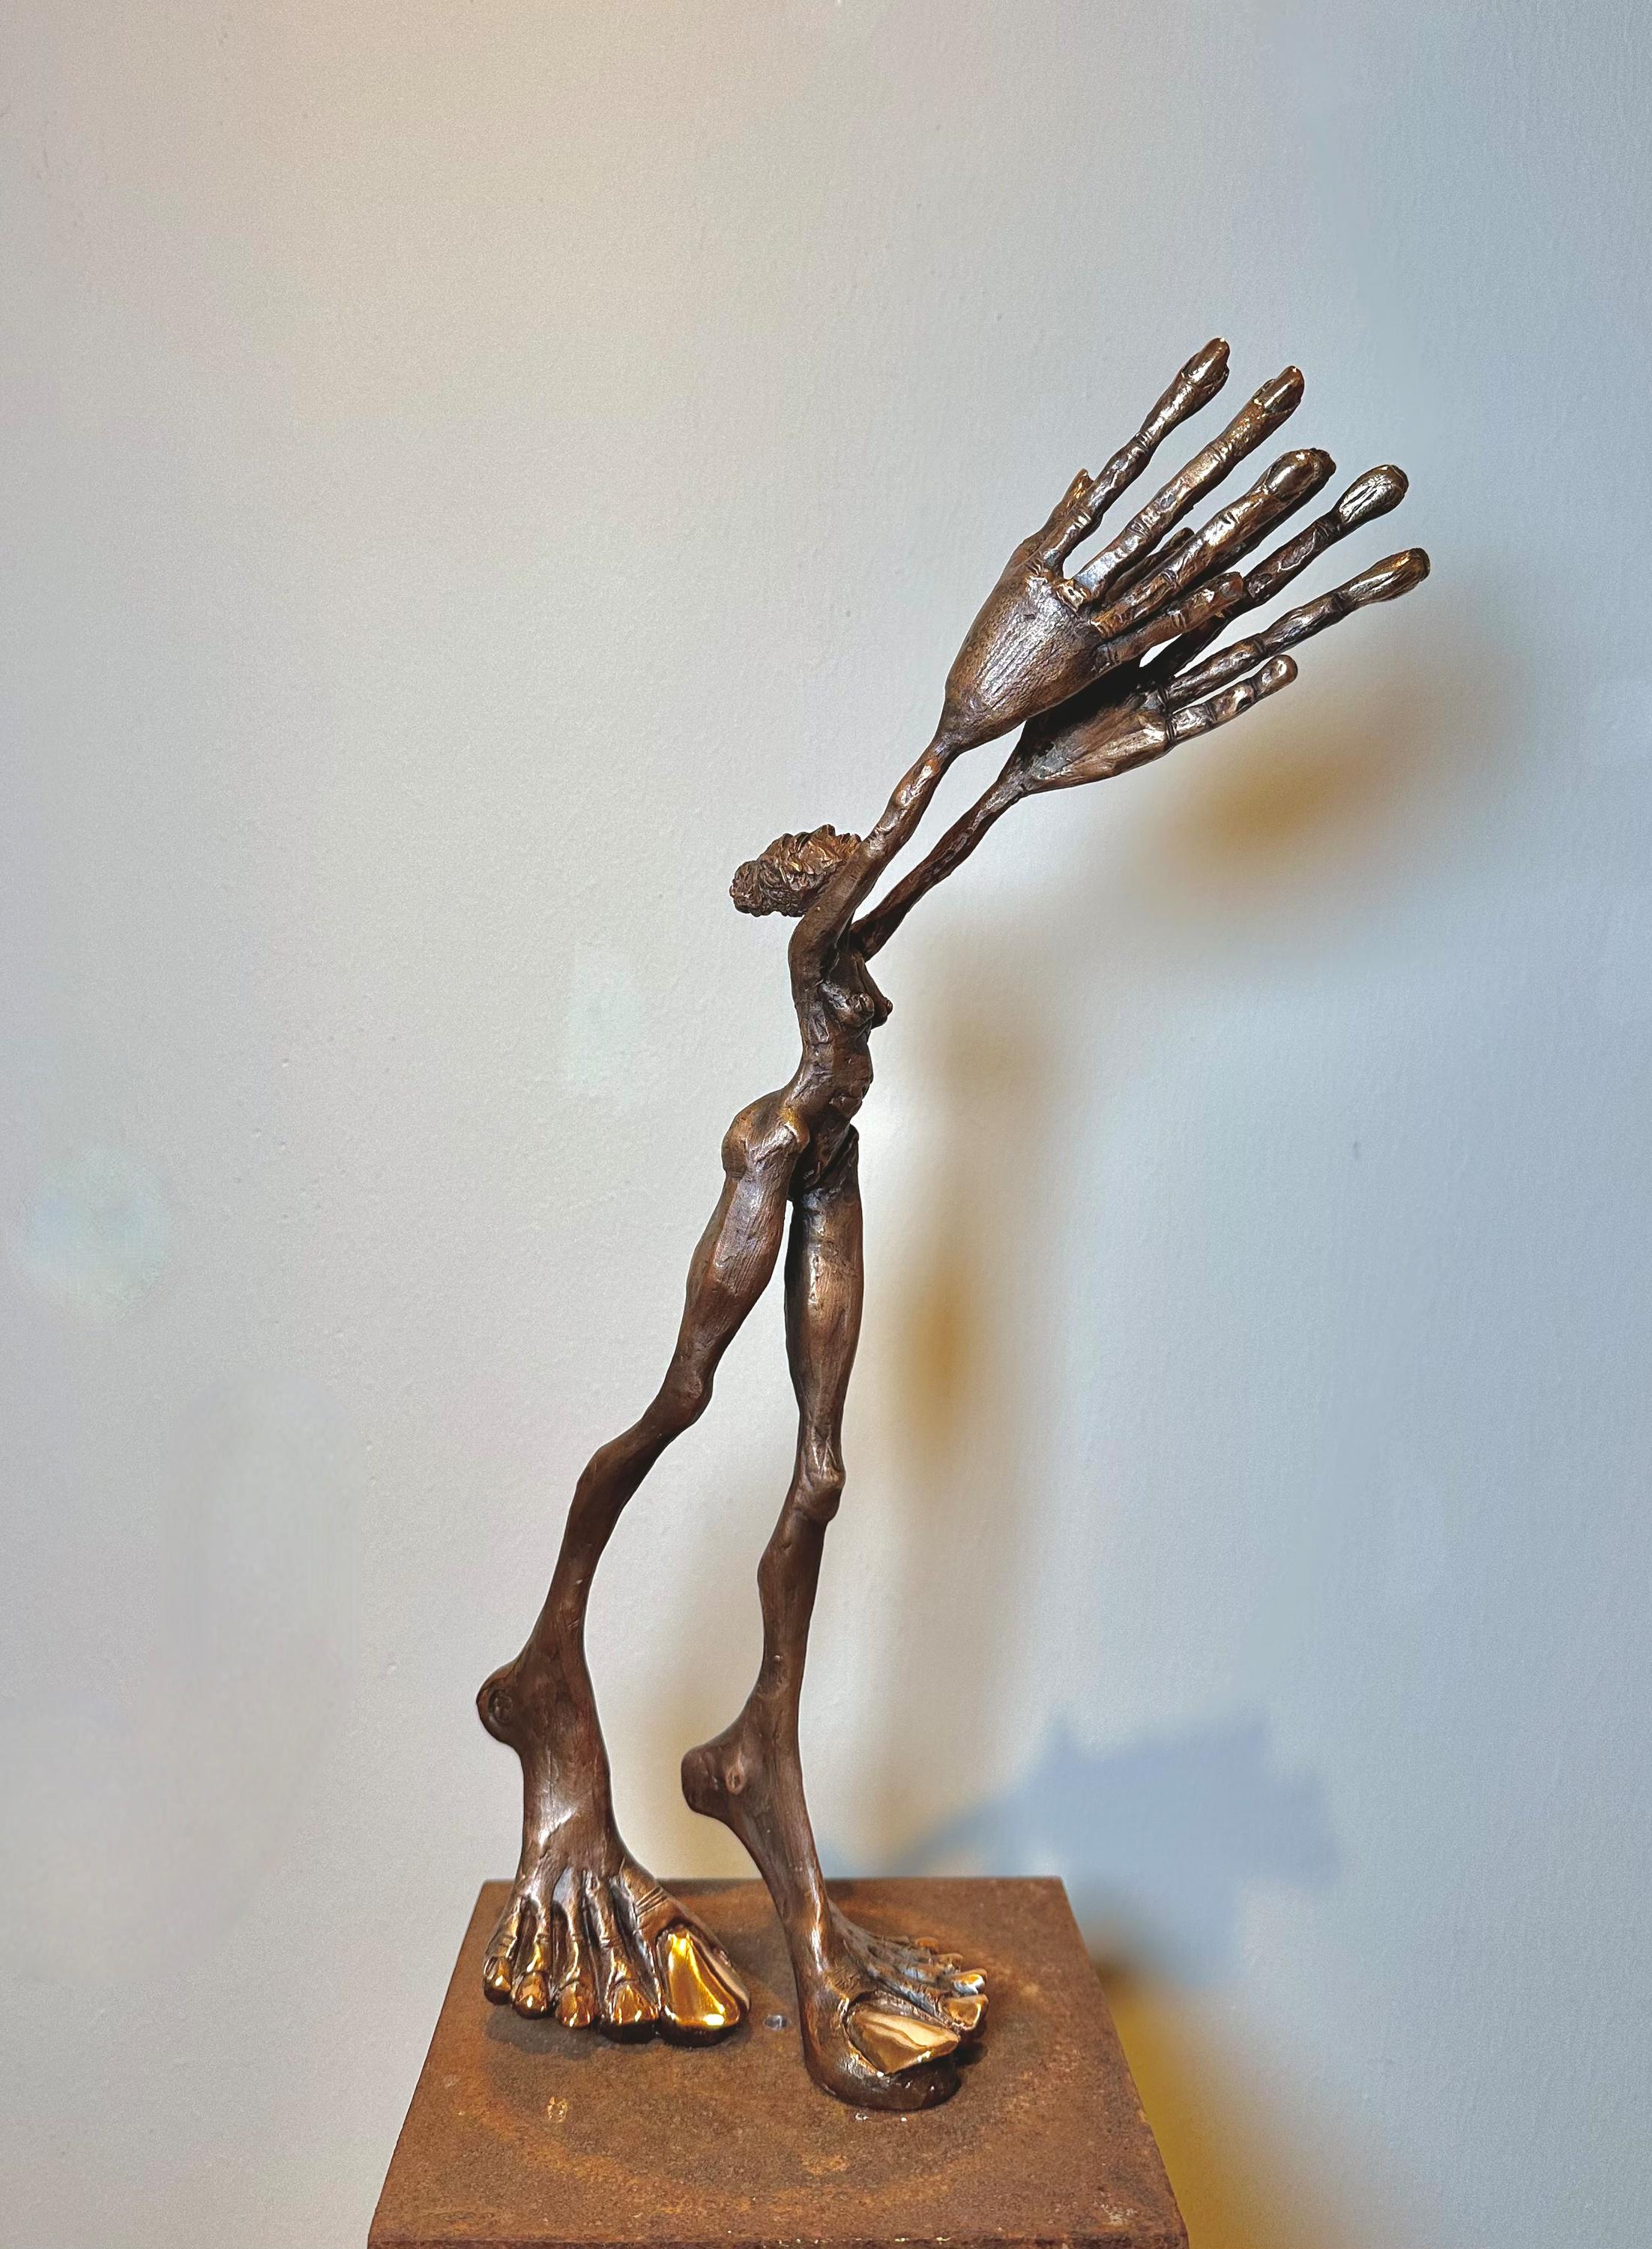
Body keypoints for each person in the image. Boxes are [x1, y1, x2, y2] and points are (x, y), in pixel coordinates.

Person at [474, 340, 1428, 2108]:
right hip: (778, 1156)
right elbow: (911, 841)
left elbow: (954, 835)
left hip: (831, 1167)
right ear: (799, 886)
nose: (838, 851)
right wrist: (972, 720)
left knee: (822, 1471)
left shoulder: (877, 913)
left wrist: (1047, 752)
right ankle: (547, 1672)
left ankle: (753, 1757)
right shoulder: (821, 936)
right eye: (819, 853)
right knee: (680, 1404)